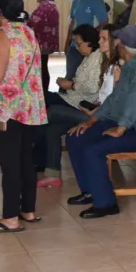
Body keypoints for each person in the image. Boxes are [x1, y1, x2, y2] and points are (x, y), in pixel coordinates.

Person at [65, 26, 136, 219]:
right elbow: (113, 99)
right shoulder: (130, 65)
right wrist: (91, 121)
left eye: (117, 41)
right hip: (121, 123)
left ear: (122, 45)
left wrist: (120, 128)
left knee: (93, 149)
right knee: (75, 137)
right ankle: (90, 191)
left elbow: (134, 102)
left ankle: (106, 203)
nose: (115, 43)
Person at [0, 0, 46, 233]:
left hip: (6, 108)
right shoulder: (28, 32)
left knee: (10, 162)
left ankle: (10, 217)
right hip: (27, 106)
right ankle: (28, 209)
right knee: (26, 159)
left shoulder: (3, 35)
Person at [38, 24, 103, 187]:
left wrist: (70, 85)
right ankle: (51, 173)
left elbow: (93, 88)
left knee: (47, 110)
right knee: (51, 127)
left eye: (78, 43)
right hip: (74, 101)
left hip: (86, 110)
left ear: (90, 42)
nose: (76, 47)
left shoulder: (98, 58)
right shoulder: (90, 57)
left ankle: (32, 159)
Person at [65, 0, 108, 78]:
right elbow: (72, 23)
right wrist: (67, 43)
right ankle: (65, 93)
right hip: (74, 46)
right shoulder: (75, 1)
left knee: (84, 77)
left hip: (88, 47)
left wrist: (89, 38)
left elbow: (104, 23)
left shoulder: (97, 3)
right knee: (70, 75)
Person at [29, 0, 60, 92]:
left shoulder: (44, 6)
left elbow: (33, 22)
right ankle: (44, 91)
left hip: (42, 42)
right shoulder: (52, 5)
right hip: (49, 41)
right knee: (44, 66)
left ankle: (42, 91)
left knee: (41, 68)